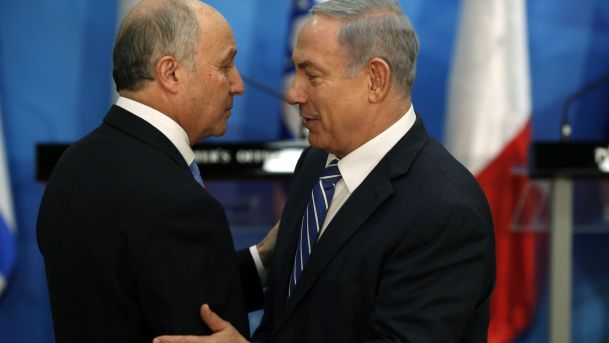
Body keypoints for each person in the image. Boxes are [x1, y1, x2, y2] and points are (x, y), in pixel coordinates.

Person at [154, 0, 496, 342]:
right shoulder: (316, 163)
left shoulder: (445, 211)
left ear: (375, 79)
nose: (292, 94)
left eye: (312, 75)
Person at [36, 0, 267, 341]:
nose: (238, 84)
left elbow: (143, 289)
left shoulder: (74, 163)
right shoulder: (180, 204)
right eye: (226, 65)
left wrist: (263, 260)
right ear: (170, 73)